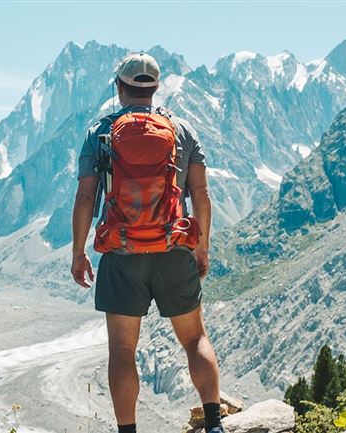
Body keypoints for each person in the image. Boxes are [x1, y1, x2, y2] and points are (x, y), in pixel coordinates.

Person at [70, 52, 223, 433]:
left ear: (120, 88)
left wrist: (78, 252)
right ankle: (215, 424)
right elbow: (201, 195)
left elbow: (86, 198)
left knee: (122, 350)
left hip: (122, 254)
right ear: (154, 88)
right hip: (173, 248)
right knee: (194, 338)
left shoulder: (100, 133)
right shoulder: (182, 130)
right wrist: (201, 248)